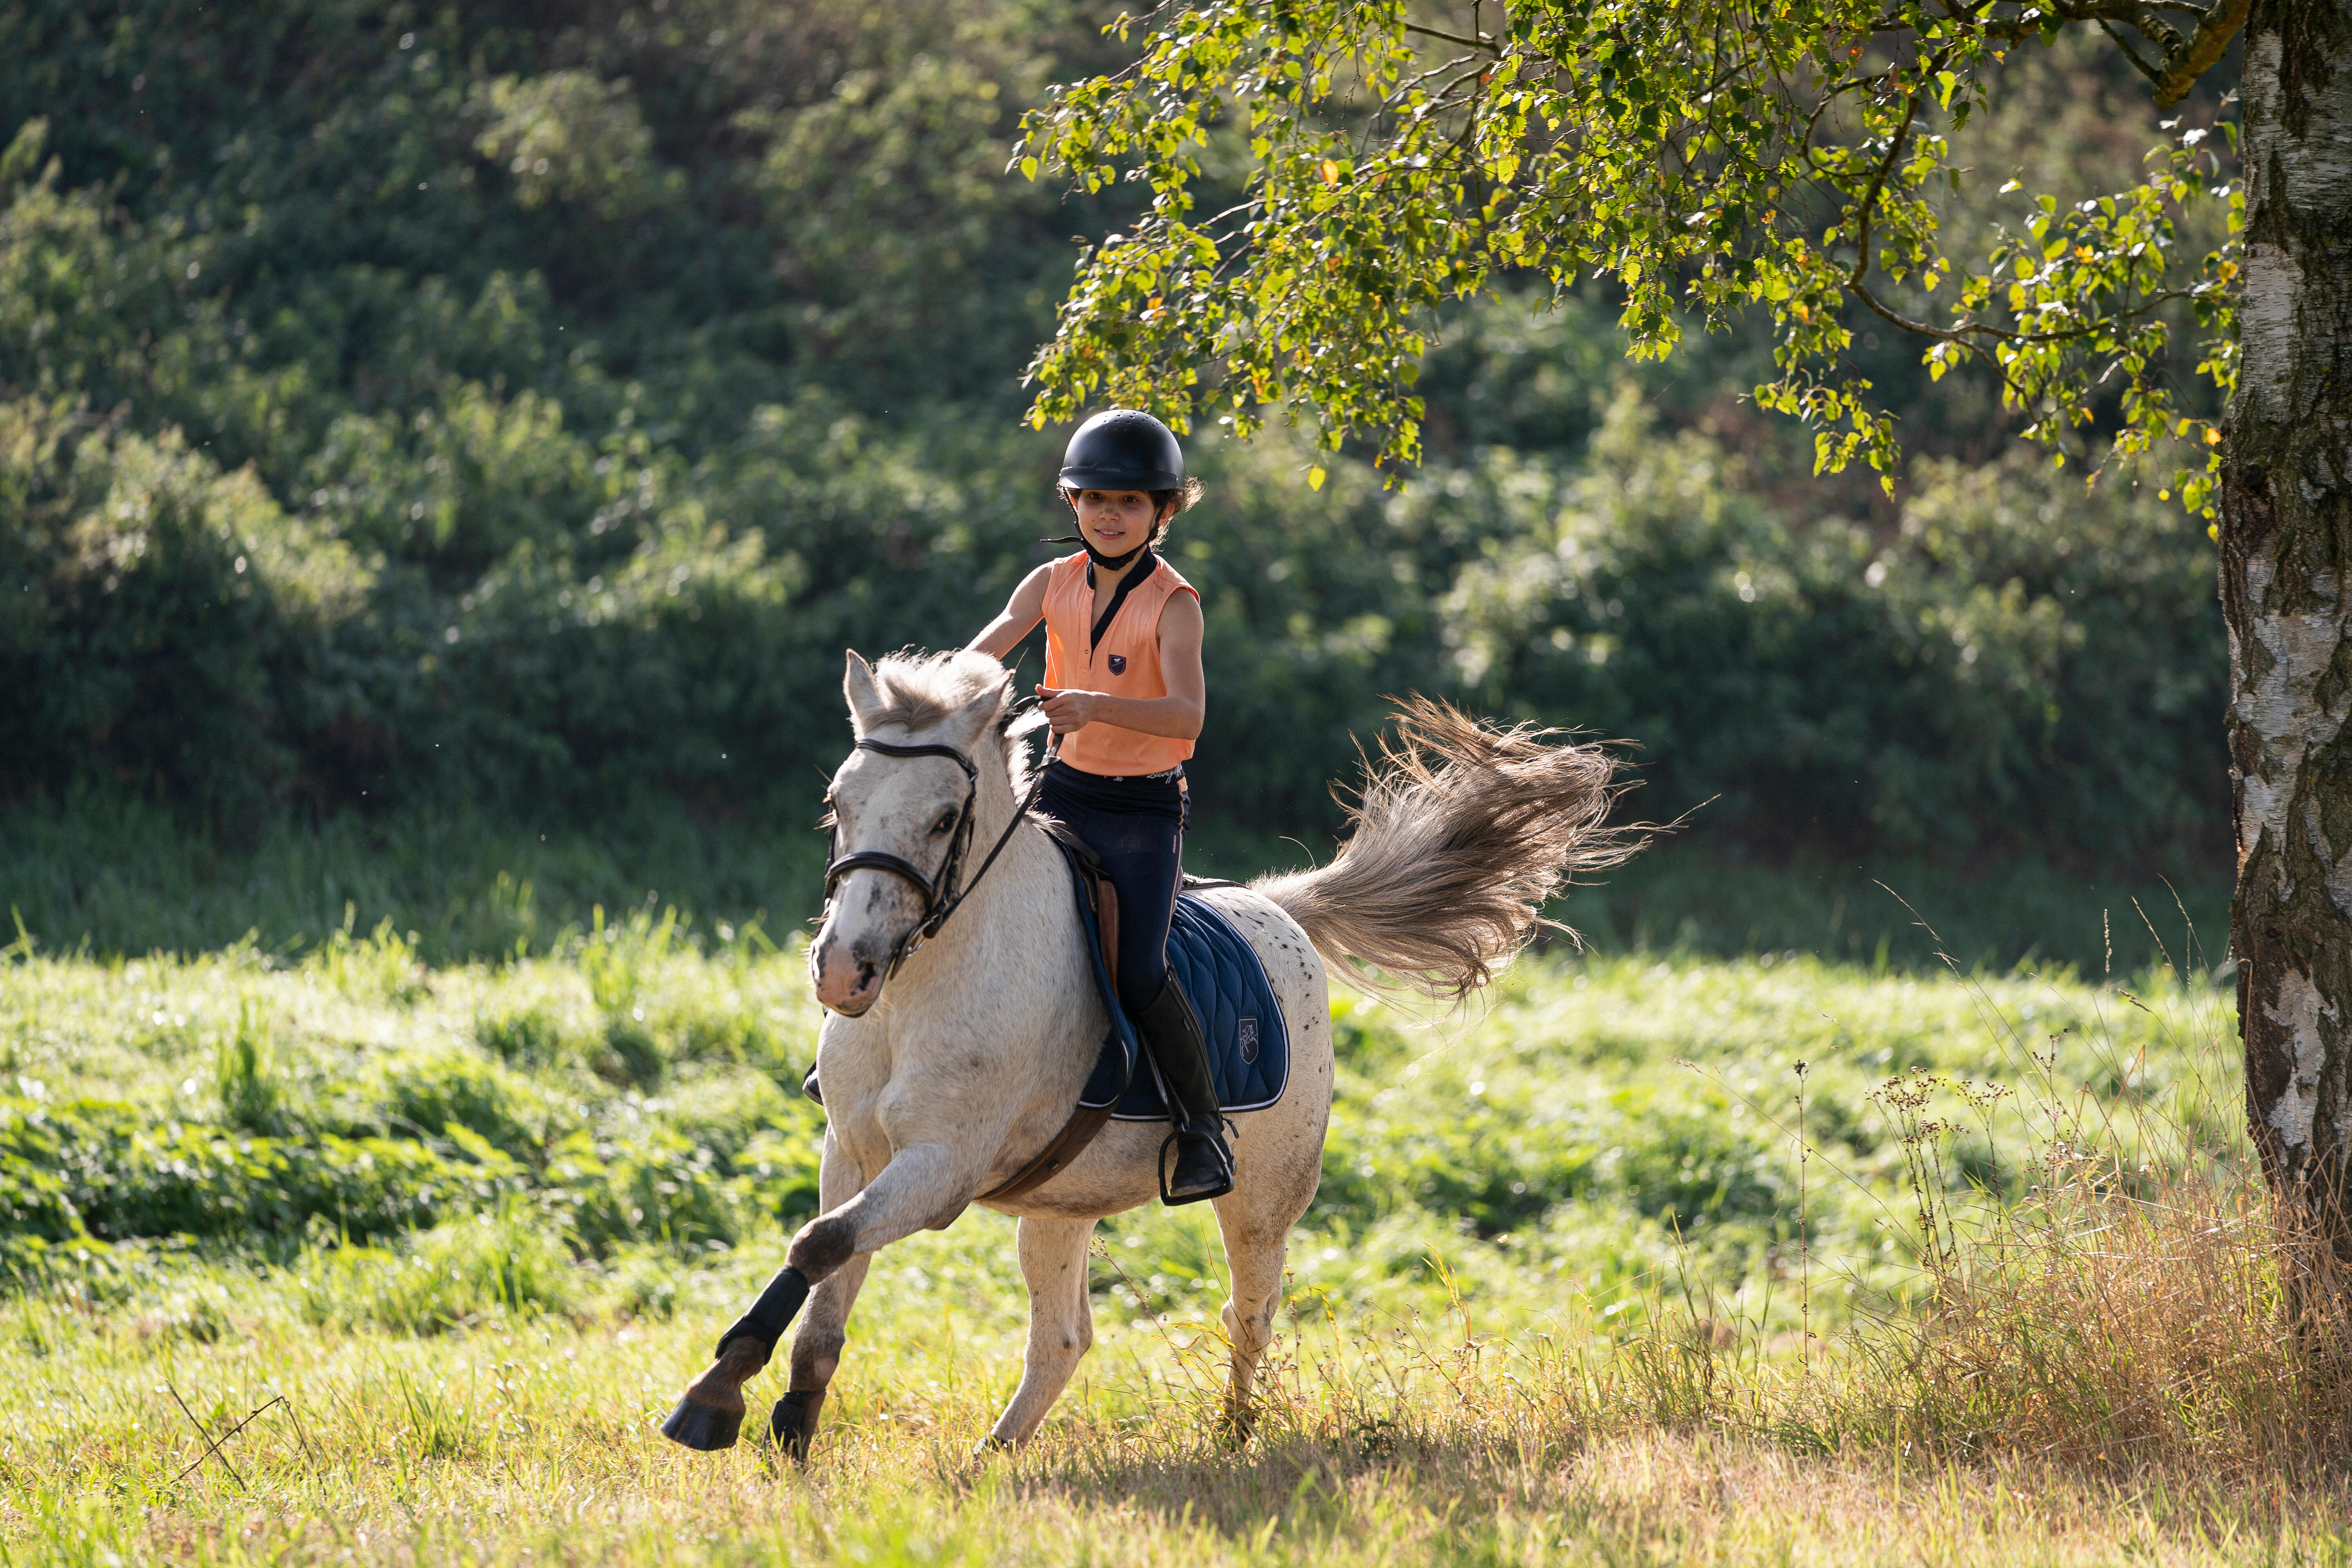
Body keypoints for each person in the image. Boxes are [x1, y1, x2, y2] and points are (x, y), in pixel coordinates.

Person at [967, 409, 1234, 1204]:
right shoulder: (1048, 583)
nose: (1110, 515)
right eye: (1094, 499)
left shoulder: (1175, 602)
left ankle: (1201, 1129)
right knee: (959, 891)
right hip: (1060, 789)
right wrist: (922, 696)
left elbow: (1187, 719)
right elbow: (981, 652)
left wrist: (1094, 705)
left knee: (1140, 970)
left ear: (1162, 511)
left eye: (1129, 502)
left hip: (1143, 811)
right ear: (1070, 502)